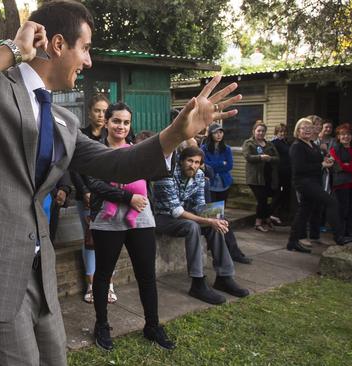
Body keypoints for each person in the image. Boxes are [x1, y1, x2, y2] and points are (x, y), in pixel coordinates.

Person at [0, 1, 241, 364]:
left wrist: (175, 134)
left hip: (40, 274)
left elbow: (116, 164)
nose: (90, 61)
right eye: (86, 48)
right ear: (59, 45)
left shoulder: (62, 119)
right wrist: (11, 51)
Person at [86, 102, 174, 351]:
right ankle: (101, 325)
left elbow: (161, 172)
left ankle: (152, 325)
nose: (121, 126)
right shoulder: (96, 151)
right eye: (116, 121)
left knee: (146, 275)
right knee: (103, 275)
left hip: (142, 220)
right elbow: (95, 184)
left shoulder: (137, 151)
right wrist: (127, 197)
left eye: (126, 122)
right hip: (107, 221)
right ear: (106, 122)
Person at [153, 146, 250, 305]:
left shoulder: (198, 175)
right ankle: (198, 282)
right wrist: (208, 220)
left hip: (184, 214)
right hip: (162, 217)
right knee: (193, 226)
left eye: (197, 162)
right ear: (181, 161)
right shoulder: (167, 176)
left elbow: (199, 204)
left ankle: (224, 277)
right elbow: (176, 212)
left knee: (215, 223)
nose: (193, 165)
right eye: (189, 161)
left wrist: (215, 217)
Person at [68, 93, 116, 304]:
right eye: (97, 110)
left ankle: (108, 284)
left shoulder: (113, 135)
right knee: (90, 240)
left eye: (104, 111)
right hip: (86, 196)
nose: (100, 115)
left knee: (109, 240)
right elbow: (75, 167)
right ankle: (91, 285)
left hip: (109, 197)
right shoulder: (80, 135)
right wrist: (85, 191)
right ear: (89, 112)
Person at [286, 118, 352, 253]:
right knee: (332, 202)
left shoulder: (312, 145)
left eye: (309, 127)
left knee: (304, 211)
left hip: (314, 181)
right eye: (304, 128)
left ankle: (292, 242)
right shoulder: (297, 146)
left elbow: (320, 159)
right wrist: (321, 165)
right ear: (298, 131)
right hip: (304, 183)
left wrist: (327, 159)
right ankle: (339, 237)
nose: (307, 129)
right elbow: (299, 168)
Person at [329, 123, 352, 238]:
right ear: (339, 137)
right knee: (342, 209)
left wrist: (349, 166)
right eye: (343, 134)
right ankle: (340, 234)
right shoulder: (334, 148)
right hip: (342, 183)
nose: (346, 137)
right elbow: (338, 166)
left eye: (348, 134)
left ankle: (349, 232)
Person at [242, 120, 280, 232]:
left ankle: (267, 218)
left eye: (263, 131)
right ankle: (258, 222)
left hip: (268, 176)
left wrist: (269, 158)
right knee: (262, 199)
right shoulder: (249, 143)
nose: (260, 133)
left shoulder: (270, 144)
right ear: (254, 131)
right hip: (255, 177)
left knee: (272, 198)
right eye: (258, 131)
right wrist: (260, 158)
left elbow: (277, 158)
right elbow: (248, 156)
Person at [201, 123, 233, 203]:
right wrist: (222, 163)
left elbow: (229, 165)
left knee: (221, 209)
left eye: (220, 132)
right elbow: (204, 164)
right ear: (210, 134)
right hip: (210, 183)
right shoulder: (204, 148)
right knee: (211, 209)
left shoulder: (227, 149)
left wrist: (212, 165)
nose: (219, 135)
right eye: (215, 133)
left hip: (224, 183)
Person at [271, 123, 292, 221]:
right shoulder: (274, 143)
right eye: (280, 132)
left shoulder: (286, 142)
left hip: (287, 172)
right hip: (279, 172)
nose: (282, 134)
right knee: (278, 194)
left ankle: (280, 215)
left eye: (284, 132)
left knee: (286, 194)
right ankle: (272, 213)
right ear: (276, 132)